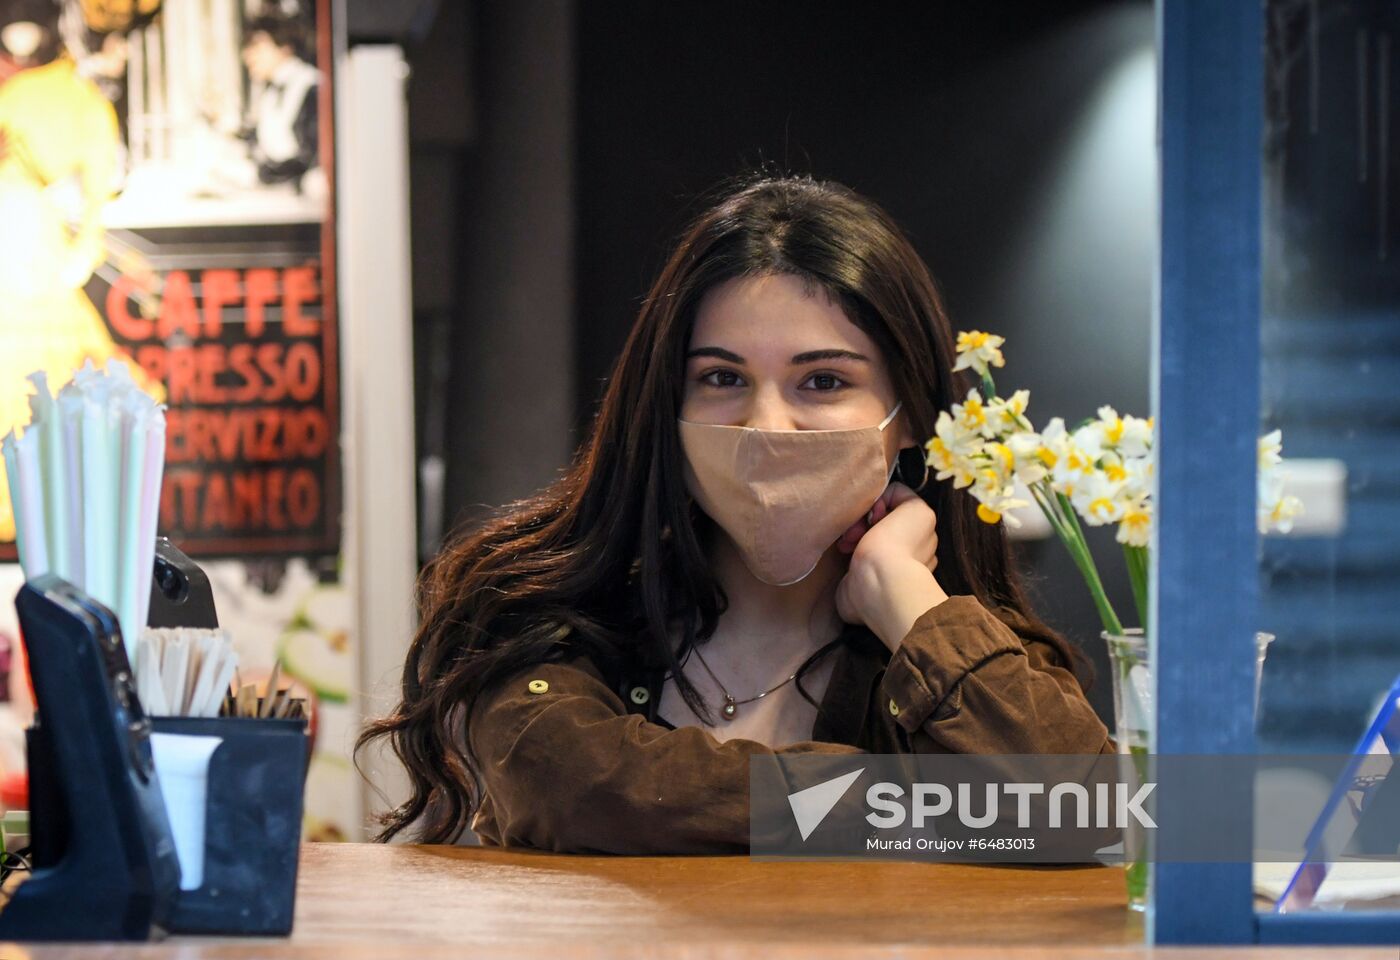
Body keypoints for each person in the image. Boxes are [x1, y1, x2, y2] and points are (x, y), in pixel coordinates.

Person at [357, 173, 1114, 853]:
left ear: (910, 414)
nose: (765, 426)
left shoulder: (956, 647)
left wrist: (907, 601)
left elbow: (1088, 806)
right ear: (669, 401)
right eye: (723, 378)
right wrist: (915, 803)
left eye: (823, 381)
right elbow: (578, 790)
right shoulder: (554, 619)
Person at [236, 14, 317, 190]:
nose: (247, 55)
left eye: (256, 46)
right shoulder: (270, 90)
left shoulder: (311, 87)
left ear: (284, 47)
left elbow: (311, 158)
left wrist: (262, 175)